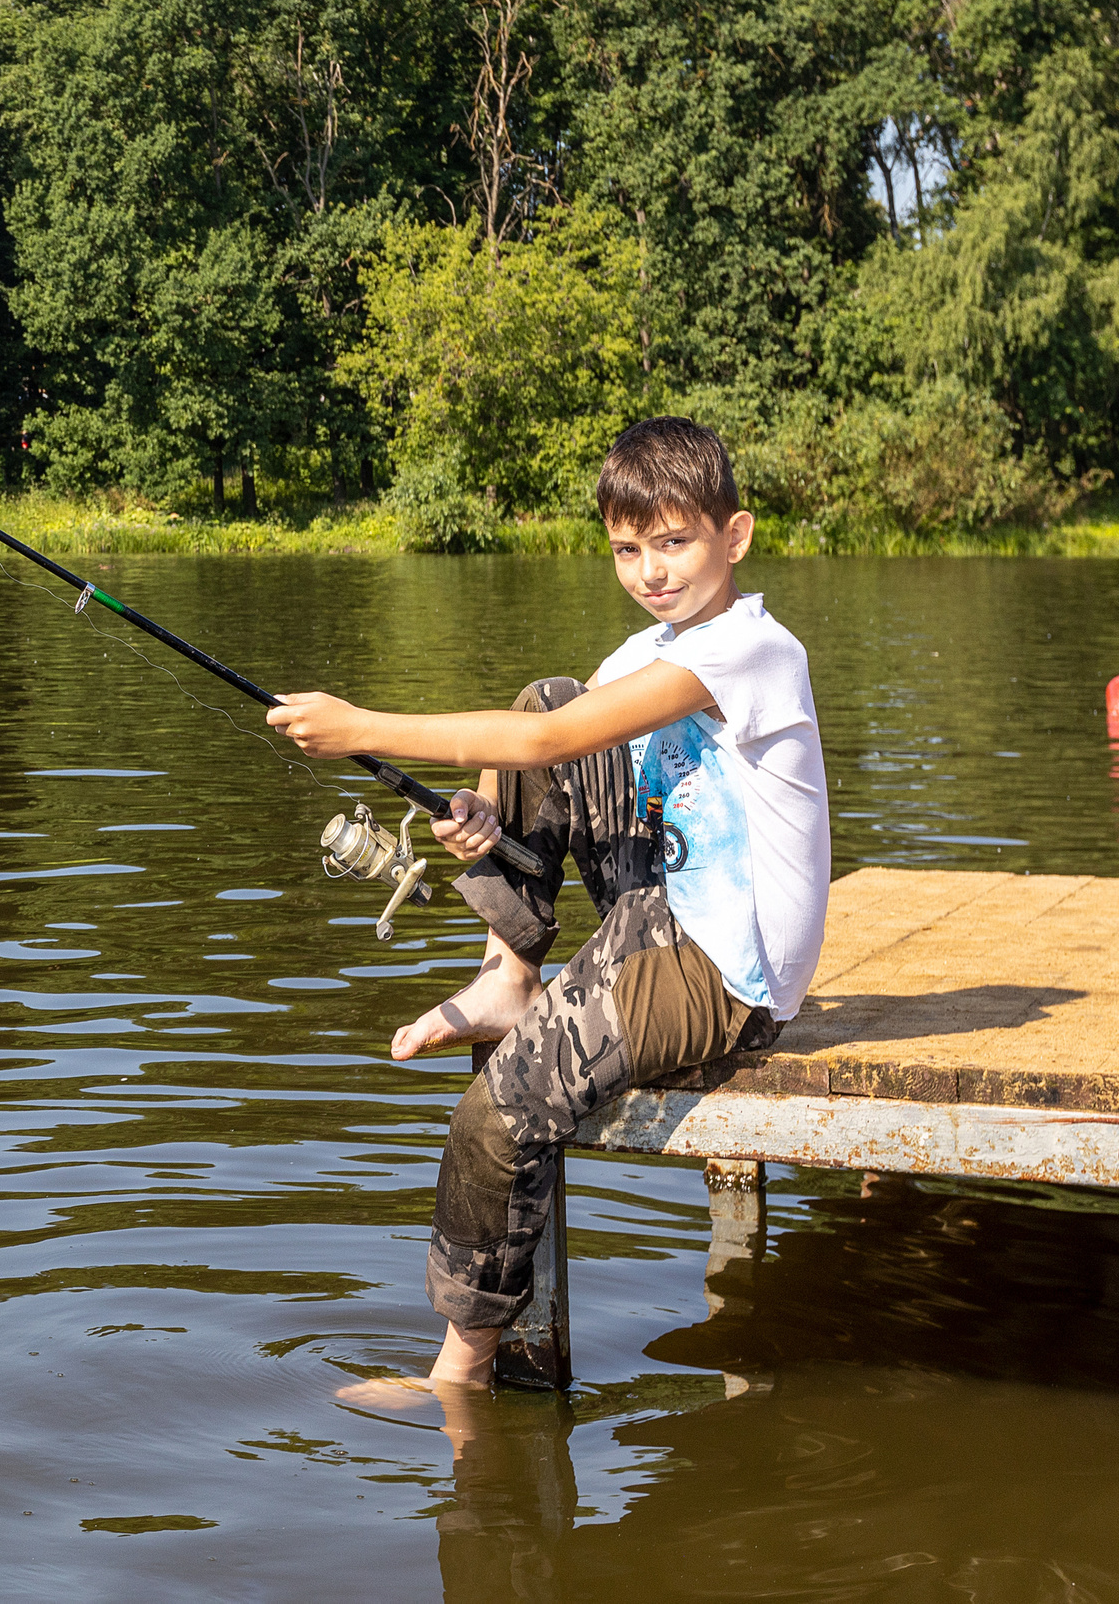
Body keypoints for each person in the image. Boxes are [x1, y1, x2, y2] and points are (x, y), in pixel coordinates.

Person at [267, 417, 830, 1393]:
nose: (650, 571)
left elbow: (551, 745)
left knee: (496, 1115)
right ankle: (508, 974)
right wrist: (484, 809)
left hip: (725, 973)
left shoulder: (754, 649)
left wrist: (362, 727)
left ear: (734, 536)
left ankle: (460, 1371)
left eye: (673, 542)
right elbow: (544, 734)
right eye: (626, 549)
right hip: (660, 907)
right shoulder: (652, 648)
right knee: (546, 696)